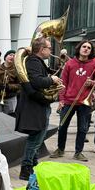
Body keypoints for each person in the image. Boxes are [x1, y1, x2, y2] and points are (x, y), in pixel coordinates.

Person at [15, 37, 63, 181]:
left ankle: (33, 167)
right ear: (42, 49)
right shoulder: (33, 61)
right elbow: (36, 82)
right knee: (35, 140)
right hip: (35, 108)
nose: (51, 51)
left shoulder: (36, 61)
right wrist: (52, 80)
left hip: (38, 106)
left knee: (37, 139)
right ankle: (26, 169)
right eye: (49, 48)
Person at [50, 40, 95, 162]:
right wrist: (61, 100)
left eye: (89, 47)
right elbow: (63, 83)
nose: (86, 49)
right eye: (84, 46)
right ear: (79, 48)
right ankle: (60, 149)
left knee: (82, 128)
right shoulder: (69, 64)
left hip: (85, 102)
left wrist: (92, 83)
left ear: (91, 51)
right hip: (68, 101)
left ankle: (78, 152)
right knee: (62, 127)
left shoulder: (94, 65)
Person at [0, 49, 20, 115]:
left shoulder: (17, 70)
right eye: (10, 55)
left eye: (14, 56)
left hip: (10, 98)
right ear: (5, 57)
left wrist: (9, 87)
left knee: (9, 118)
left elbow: (20, 85)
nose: (12, 57)